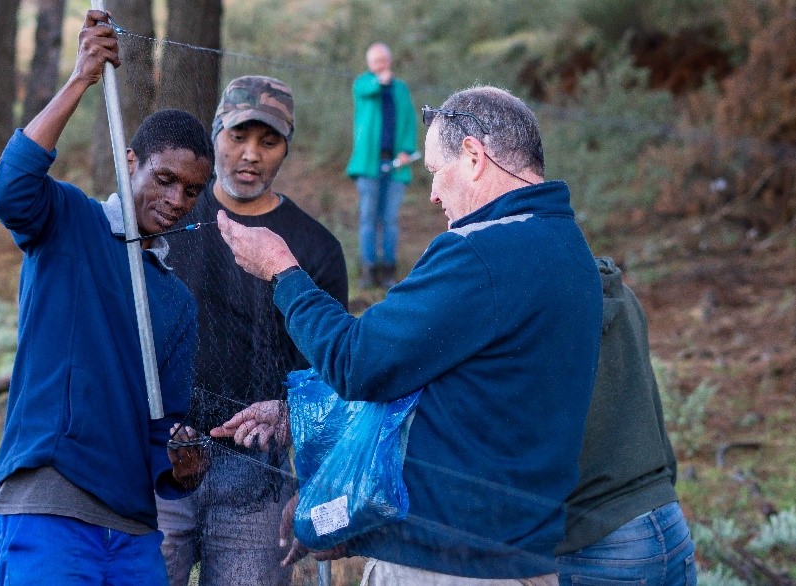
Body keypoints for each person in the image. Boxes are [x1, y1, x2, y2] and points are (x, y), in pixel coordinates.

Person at [217, 85, 603, 583]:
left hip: (447, 564)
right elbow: (449, 383)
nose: (434, 193)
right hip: (525, 554)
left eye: (435, 173)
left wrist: (283, 272)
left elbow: (357, 362)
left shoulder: (480, 254)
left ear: (473, 156)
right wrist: (300, 416)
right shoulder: (569, 250)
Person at [0, 11, 212, 584]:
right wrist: (81, 78)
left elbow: (166, 425)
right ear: (129, 162)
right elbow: (9, 190)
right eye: (164, 179)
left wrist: (184, 460)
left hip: (135, 528)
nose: (178, 199)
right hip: (48, 504)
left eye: (192, 190)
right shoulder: (69, 221)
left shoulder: (177, 301)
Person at [158, 75, 349, 586]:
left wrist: (294, 428)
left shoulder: (316, 248)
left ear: (286, 148)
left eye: (268, 141)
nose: (250, 155)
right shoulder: (168, 217)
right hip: (159, 457)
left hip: (257, 478)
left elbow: (329, 376)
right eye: (237, 136)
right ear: (215, 133)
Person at [556, 257, 698, 585]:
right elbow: (655, 416)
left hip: (599, 545)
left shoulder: (532, 315)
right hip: (668, 523)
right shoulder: (625, 297)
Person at [345, 42, 418, 289]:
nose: (380, 65)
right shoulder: (363, 84)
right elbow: (368, 92)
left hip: (396, 163)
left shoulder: (401, 89)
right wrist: (380, 81)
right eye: (375, 61)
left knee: (390, 219)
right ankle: (368, 269)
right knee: (368, 218)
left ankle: (389, 269)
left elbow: (409, 121)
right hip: (369, 165)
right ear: (369, 64)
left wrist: (407, 150)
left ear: (390, 61)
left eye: (383, 61)